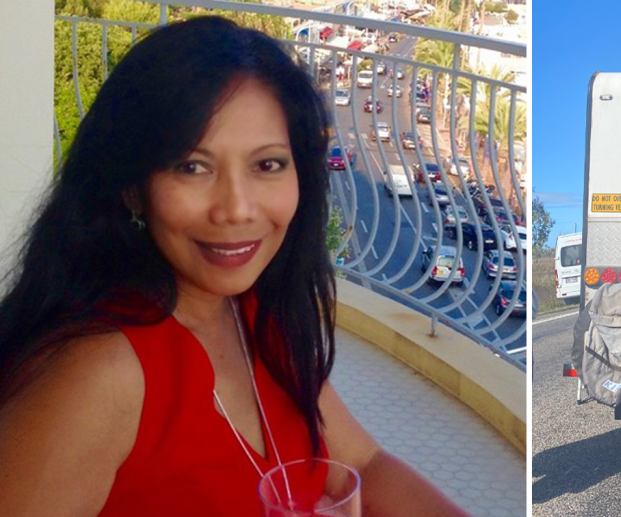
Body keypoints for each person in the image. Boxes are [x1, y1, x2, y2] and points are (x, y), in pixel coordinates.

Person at [0, 17, 468, 517]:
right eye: (192, 166)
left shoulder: (255, 312)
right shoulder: (99, 375)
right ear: (132, 186)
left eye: (267, 164)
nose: (237, 209)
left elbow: (364, 464)